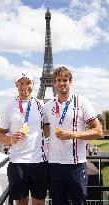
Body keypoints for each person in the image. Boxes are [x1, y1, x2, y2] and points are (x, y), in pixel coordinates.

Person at [43, 66, 103, 205]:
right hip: (54, 164)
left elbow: (99, 131)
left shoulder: (82, 102)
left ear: (71, 82)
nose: (62, 83)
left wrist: (72, 134)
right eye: (58, 80)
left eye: (65, 80)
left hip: (76, 165)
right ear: (54, 83)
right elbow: (43, 130)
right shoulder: (47, 106)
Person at [0, 72, 48, 205]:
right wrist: (11, 139)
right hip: (17, 162)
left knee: (39, 202)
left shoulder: (42, 105)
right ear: (16, 85)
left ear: (33, 85)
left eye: (28, 82)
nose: (25, 86)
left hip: (39, 161)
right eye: (21, 83)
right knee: (21, 203)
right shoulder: (9, 106)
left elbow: (47, 130)